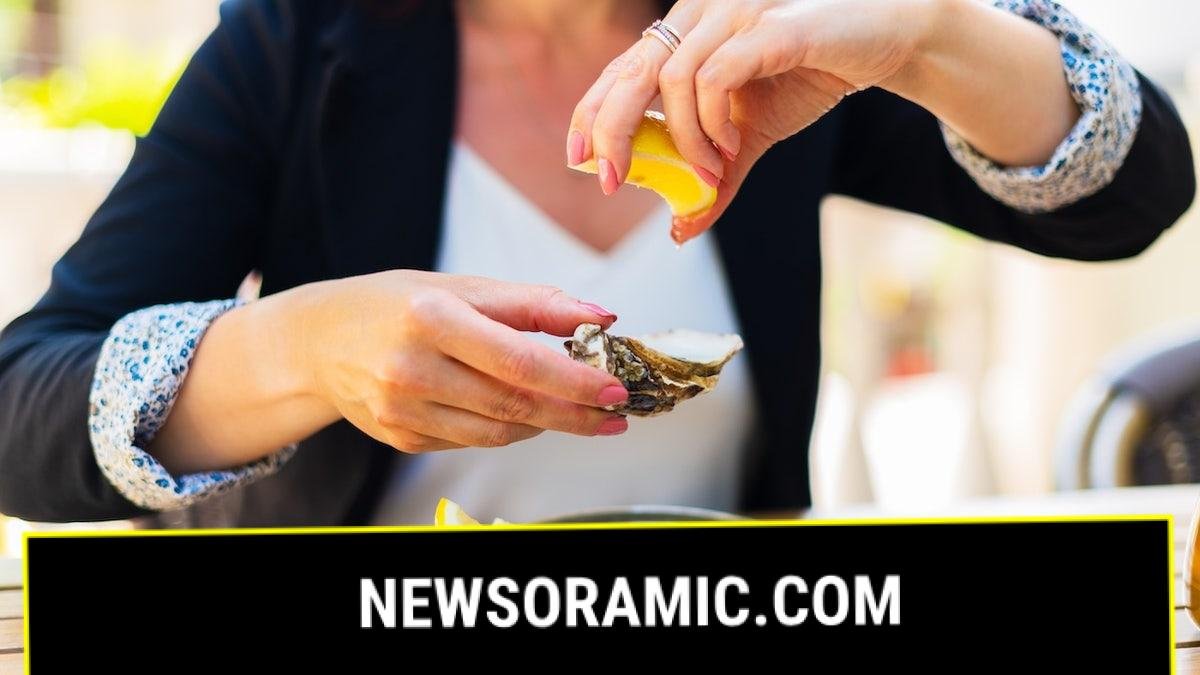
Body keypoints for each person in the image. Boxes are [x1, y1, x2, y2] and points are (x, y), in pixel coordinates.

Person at [0, 0, 1193, 526]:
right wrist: (297, 350)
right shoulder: (295, 44)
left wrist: (930, 32)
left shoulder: (768, 31)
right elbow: (24, 408)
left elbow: (1129, 195)